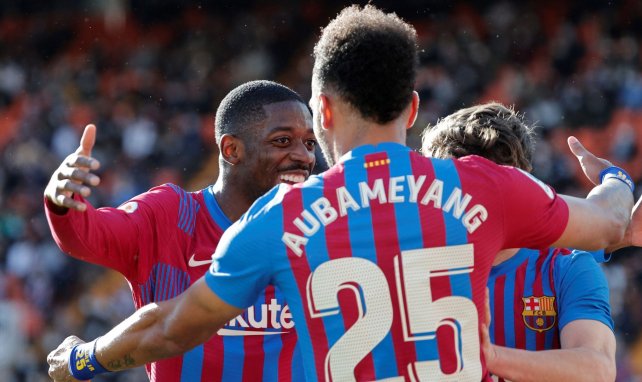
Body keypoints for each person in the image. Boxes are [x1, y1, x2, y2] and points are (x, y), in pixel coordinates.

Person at [48, 5, 635, 381]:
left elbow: (172, 326)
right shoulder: (485, 186)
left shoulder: (284, 215)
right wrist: (616, 181)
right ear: (412, 108)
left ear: (322, 109)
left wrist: (83, 358)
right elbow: (611, 221)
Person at [44, 80, 317, 381]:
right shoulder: (171, 215)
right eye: (282, 141)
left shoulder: (320, 225)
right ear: (232, 149)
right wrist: (61, 202)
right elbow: (88, 236)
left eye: (309, 143)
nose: (304, 157)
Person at [421, 102, 642, 381]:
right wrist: (615, 181)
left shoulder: (565, 269)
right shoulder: (410, 264)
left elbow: (596, 370)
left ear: (522, 186)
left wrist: (490, 357)